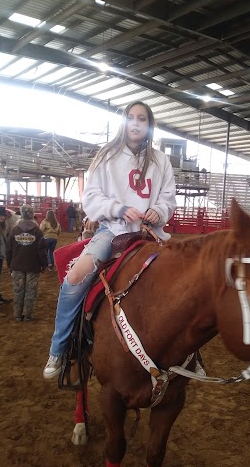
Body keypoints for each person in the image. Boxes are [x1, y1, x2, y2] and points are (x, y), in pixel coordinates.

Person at [43, 100, 176, 378]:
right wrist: (118, 209)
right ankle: (59, 347)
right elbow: (91, 197)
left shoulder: (161, 160)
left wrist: (159, 210)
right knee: (76, 276)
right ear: (124, 122)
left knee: (184, 280)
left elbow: (168, 198)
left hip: (152, 233)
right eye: (132, 117)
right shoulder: (106, 156)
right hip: (113, 231)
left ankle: (188, 355)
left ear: (149, 124)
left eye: (142, 118)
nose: (137, 122)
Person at [6, 205, 47, 322]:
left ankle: (18, 314)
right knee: (31, 291)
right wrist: (44, 265)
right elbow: (42, 251)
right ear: (32, 214)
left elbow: (8, 250)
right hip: (33, 266)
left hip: (17, 265)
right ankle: (27, 315)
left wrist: (10, 265)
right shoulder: (37, 231)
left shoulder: (14, 230)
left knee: (18, 290)